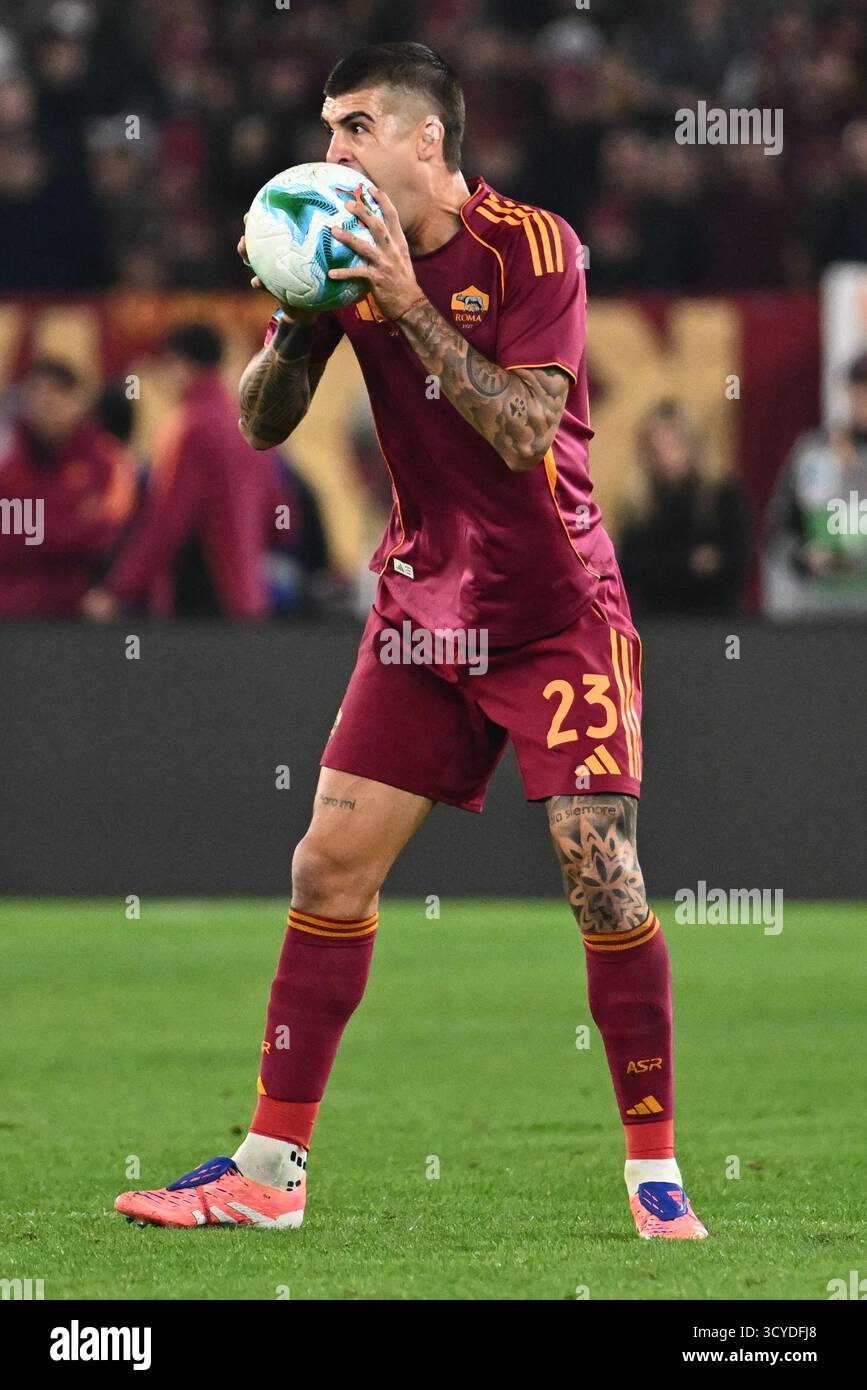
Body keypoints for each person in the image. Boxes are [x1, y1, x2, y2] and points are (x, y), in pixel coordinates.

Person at [115, 42, 707, 1240]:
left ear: (426, 142)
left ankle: (655, 1175)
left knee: (602, 875)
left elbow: (526, 423)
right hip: (421, 612)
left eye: (355, 126)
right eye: (327, 127)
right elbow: (260, 423)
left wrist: (408, 302)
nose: (331, 150)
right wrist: (298, 320)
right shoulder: (342, 260)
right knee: (326, 869)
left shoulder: (534, 249)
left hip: (556, 613)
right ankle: (270, 1172)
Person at [82, 324, 274, 620]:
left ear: (179, 363)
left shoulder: (188, 427)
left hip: (202, 595)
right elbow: (281, 514)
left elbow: (168, 519)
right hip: (247, 595)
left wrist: (118, 589)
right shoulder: (248, 423)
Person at [0, 358, 136, 617]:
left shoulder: (107, 464)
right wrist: (70, 527)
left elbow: (112, 536)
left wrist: (37, 530)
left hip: (80, 613)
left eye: (58, 392)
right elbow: (6, 543)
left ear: (79, 402)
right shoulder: (8, 470)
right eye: (37, 392)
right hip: (12, 614)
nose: (46, 402)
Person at [763, 352, 867, 619]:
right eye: (860, 387)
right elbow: (778, 529)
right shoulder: (813, 452)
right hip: (822, 615)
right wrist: (802, 555)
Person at [619, 400, 747, 614]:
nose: (667, 456)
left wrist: (707, 564)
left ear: (693, 445)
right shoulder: (639, 505)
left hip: (716, 620)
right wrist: (688, 564)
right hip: (658, 623)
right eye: (658, 448)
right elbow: (632, 565)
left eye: (674, 444)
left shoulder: (720, 496)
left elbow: (738, 555)